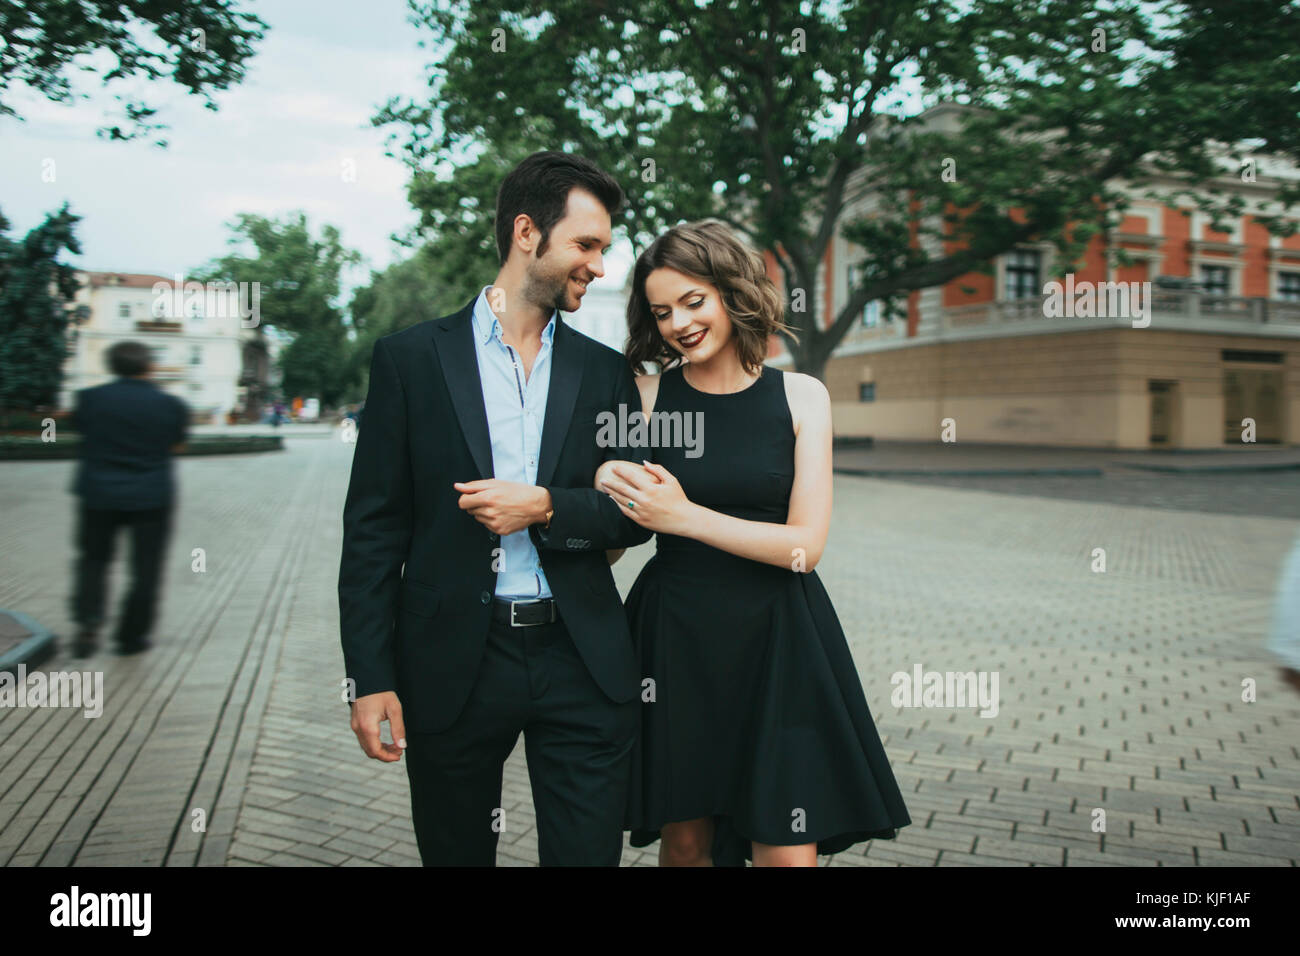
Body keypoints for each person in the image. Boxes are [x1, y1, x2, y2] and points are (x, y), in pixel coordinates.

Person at [338, 151, 651, 865]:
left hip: (582, 660)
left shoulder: (605, 372)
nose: (599, 265)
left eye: (604, 248)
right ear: (525, 233)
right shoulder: (410, 360)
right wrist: (371, 676)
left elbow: (633, 515)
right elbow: (373, 533)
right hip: (451, 663)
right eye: (587, 244)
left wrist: (547, 507)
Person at [596, 219, 912, 866]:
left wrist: (684, 516)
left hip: (780, 637)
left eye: (693, 301)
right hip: (675, 637)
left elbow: (806, 545)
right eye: (661, 312)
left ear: (732, 292)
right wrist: (600, 484)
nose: (679, 323)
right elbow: (614, 544)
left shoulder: (802, 396)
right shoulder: (648, 399)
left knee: (787, 847)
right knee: (685, 840)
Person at [69, 340, 189, 657]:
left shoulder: (89, 399)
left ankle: (88, 625)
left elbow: (82, 435)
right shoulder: (170, 405)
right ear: (148, 367)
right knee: (146, 569)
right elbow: (177, 446)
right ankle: (131, 637)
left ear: (112, 366)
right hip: (150, 497)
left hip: (98, 495)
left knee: (93, 562)